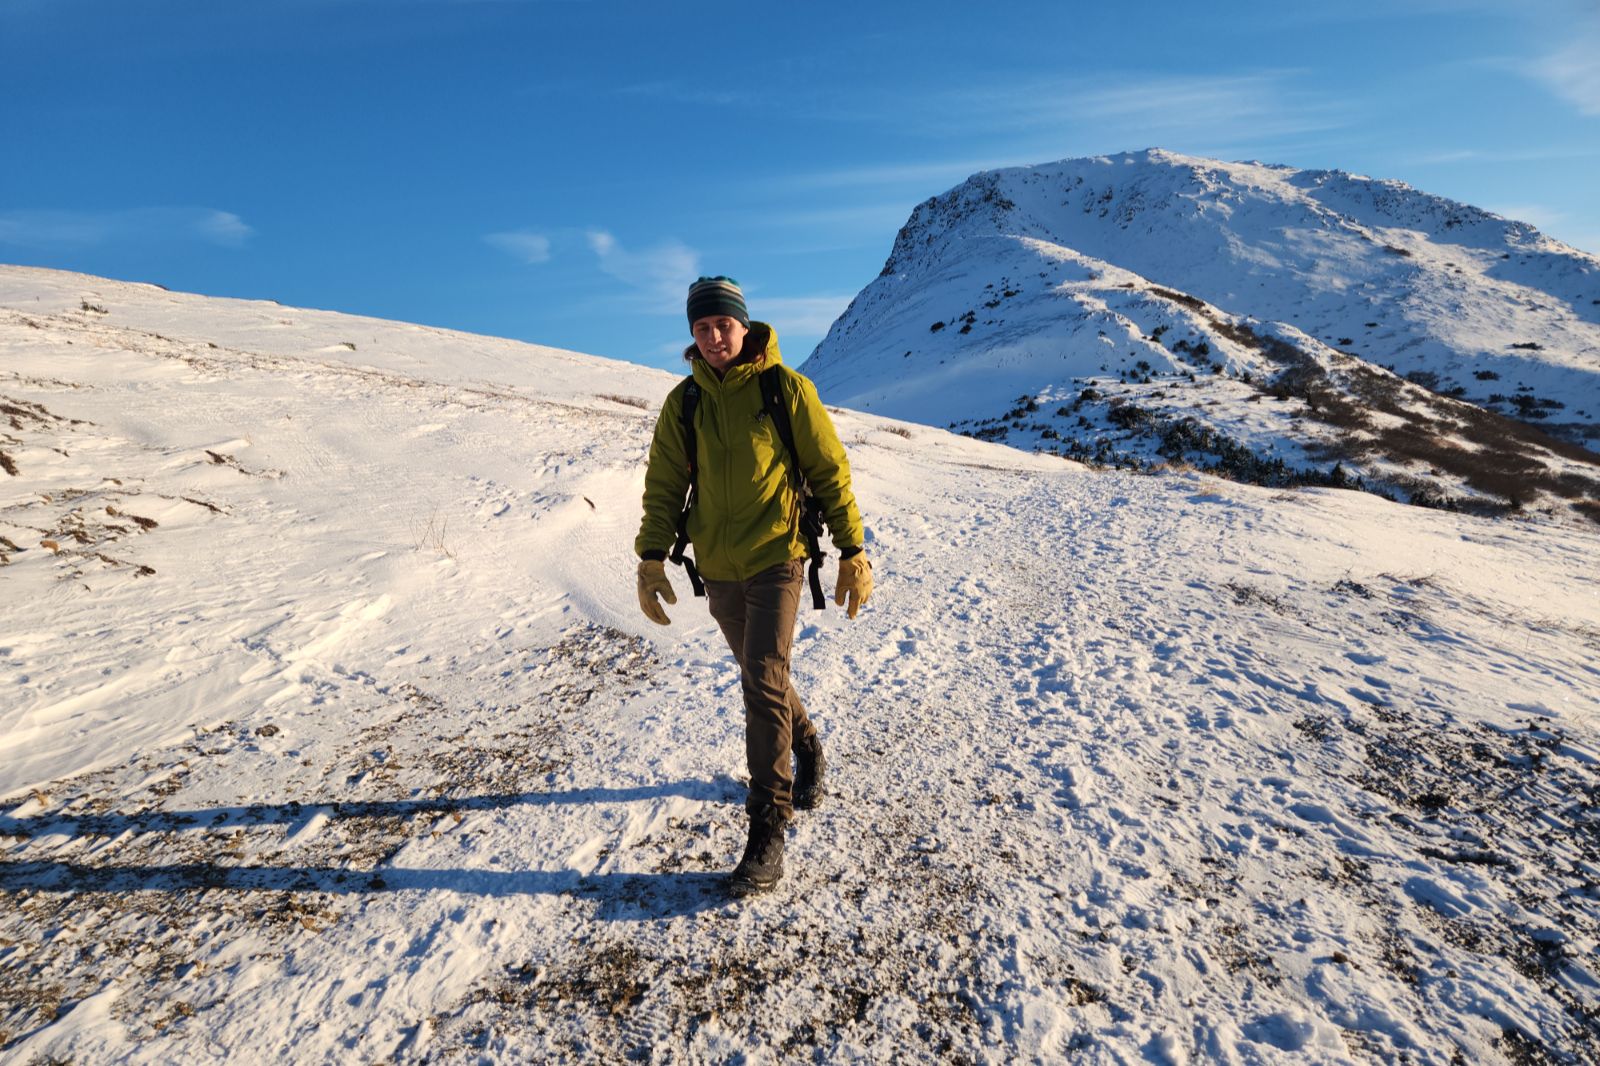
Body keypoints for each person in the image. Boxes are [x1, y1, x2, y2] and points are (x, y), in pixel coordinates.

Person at [634, 276, 872, 895]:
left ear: (745, 326)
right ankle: (810, 744)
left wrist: (853, 550)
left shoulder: (785, 390)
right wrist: (651, 559)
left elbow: (828, 471)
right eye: (702, 328)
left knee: (761, 678)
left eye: (724, 325)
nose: (714, 337)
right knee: (761, 674)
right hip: (716, 566)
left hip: (778, 556)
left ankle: (768, 825)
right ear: (692, 335)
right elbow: (664, 486)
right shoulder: (683, 404)